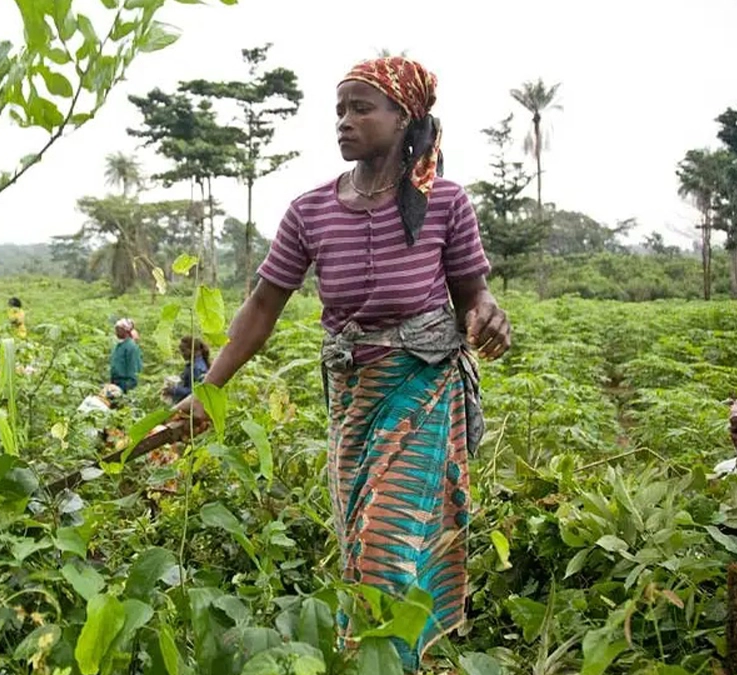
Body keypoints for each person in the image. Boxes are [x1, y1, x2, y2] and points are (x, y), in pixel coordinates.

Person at [172, 56, 510, 671]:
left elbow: (473, 293)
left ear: (405, 116)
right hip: (354, 393)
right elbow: (262, 306)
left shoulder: (447, 203)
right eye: (339, 110)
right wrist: (208, 389)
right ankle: (386, 655)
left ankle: (379, 660)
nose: (344, 122)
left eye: (361, 108)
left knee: (386, 538)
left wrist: (489, 311)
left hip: (423, 387)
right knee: (360, 540)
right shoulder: (310, 211)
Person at [163, 337, 210, 405]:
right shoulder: (195, 365)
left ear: (193, 350)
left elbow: (194, 392)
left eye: (184, 351)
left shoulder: (195, 368)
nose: (182, 354)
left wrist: (173, 390)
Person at [109, 318, 143, 393]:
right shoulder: (118, 346)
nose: (117, 331)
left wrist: (126, 388)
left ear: (126, 331)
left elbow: (133, 371)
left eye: (119, 329)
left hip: (124, 385)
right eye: (116, 329)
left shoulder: (131, 347)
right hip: (115, 384)